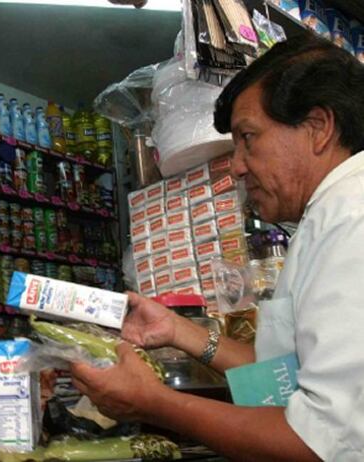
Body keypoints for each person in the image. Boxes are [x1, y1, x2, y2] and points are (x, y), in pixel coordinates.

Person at [71, 33, 364, 461]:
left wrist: (152, 403)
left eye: (248, 137)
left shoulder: (352, 219)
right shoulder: (329, 215)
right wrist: (177, 331)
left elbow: (320, 442)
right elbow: (284, 376)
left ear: (318, 128)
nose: (237, 166)